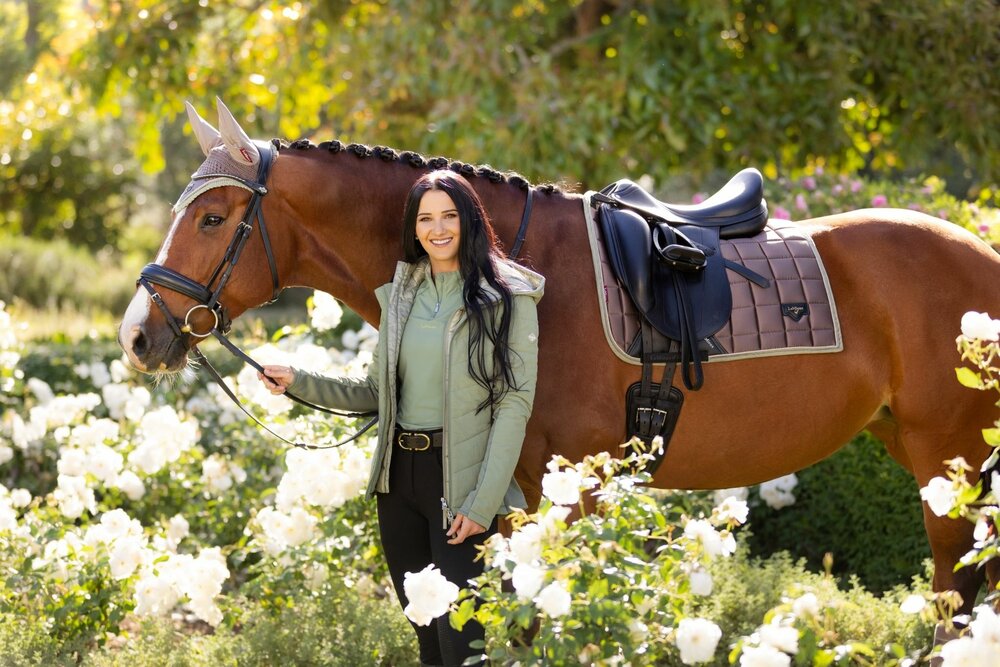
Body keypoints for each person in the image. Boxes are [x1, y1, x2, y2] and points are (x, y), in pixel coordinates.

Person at [258, 170, 544, 666]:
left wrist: (482, 504)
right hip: (399, 485)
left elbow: (514, 405)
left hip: (460, 485)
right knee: (427, 638)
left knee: (463, 643)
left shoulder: (508, 296)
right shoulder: (402, 294)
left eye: (449, 216)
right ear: (414, 228)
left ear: (470, 219)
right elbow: (375, 392)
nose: (438, 229)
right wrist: (298, 380)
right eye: (426, 218)